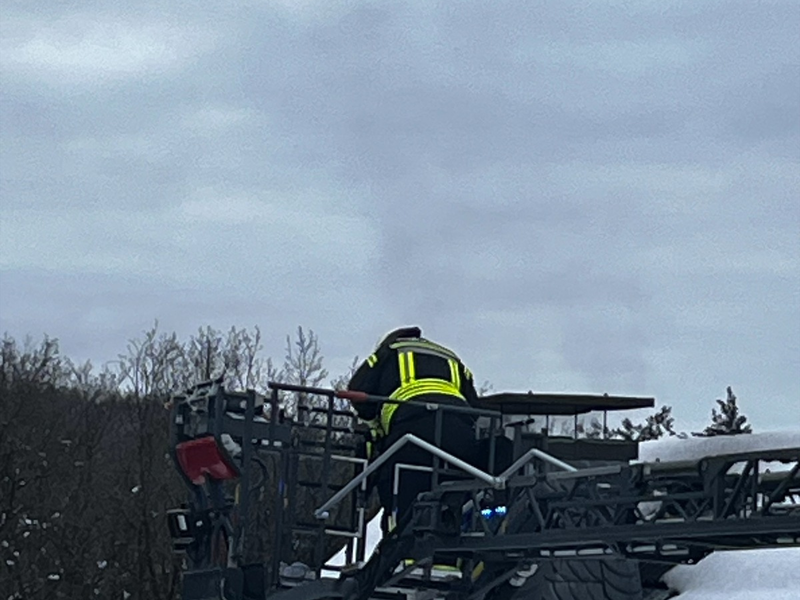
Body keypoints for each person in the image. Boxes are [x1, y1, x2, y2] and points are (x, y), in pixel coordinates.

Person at [347, 326, 482, 534]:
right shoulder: (450, 356)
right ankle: (453, 555)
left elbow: (356, 391)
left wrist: (374, 424)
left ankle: (400, 552)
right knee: (455, 494)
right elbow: (475, 406)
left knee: (400, 492)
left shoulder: (390, 351)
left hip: (411, 427)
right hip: (459, 430)